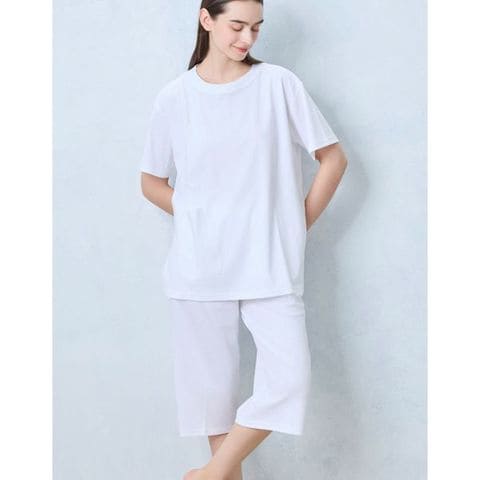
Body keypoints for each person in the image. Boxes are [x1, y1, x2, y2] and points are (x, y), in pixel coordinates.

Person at [140, 1, 348, 479]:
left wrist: (295, 225)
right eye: (237, 26)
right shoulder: (175, 97)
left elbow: (334, 159)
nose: (247, 39)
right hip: (199, 266)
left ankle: (207, 475)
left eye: (256, 28)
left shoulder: (278, 85)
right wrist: (196, 215)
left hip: (269, 264)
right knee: (213, 404)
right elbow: (150, 181)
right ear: (206, 19)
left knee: (288, 379)